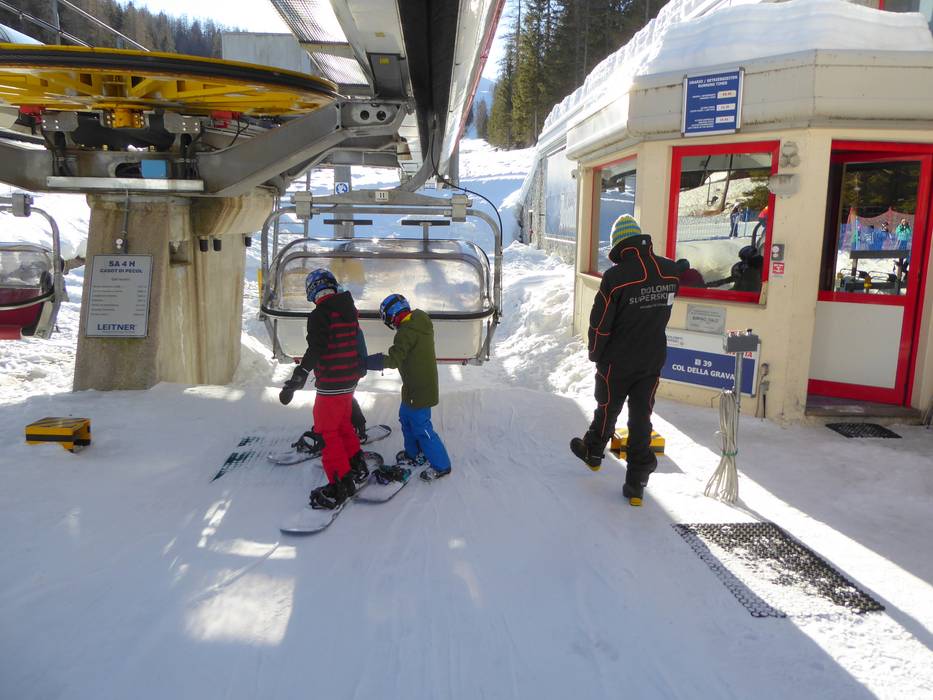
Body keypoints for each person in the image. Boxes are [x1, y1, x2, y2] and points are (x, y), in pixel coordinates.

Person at [570, 215, 680, 505]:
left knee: (608, 408)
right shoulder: (669, 271)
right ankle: (637, 482)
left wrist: (596, 353)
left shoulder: (615, 277)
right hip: (652, 358)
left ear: (619, 245)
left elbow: (600, 324)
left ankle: (593, 453)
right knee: (641, 416)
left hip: (617, 361)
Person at [279, 268, 369, 509]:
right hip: (349, 380)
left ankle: (340, 484)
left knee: (326, 432)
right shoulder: (347, 309)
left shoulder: (320, 314)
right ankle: (356, 464)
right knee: (342, 425)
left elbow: (316, 349)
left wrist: (299, 375)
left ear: (312, 291)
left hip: (332, 383)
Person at [367, 293, 451, 482]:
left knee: (422, 428)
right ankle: (415, 454)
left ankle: (442, 465)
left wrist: (368, 362)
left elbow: (394, 359)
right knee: (406, 418)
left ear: (392, 316)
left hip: (420, 390)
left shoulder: (406, 332)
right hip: (413, 387)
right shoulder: (418, 321)